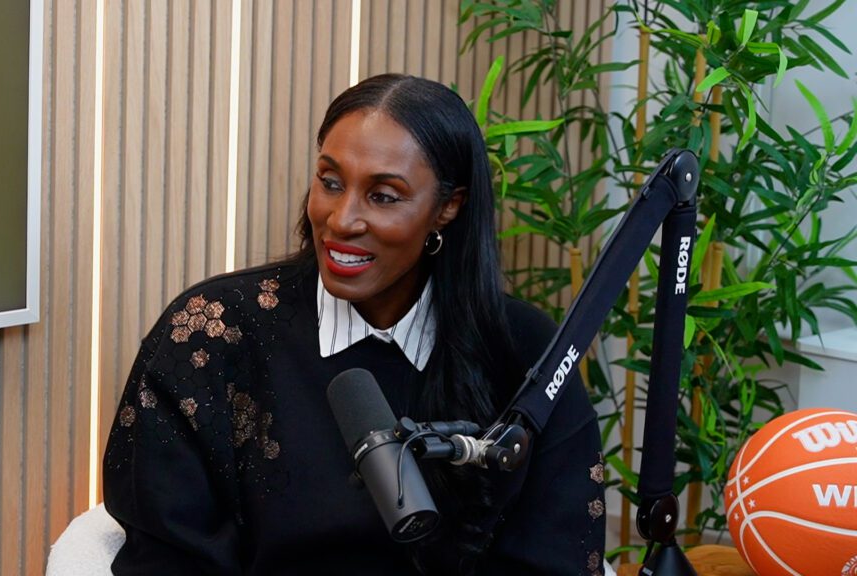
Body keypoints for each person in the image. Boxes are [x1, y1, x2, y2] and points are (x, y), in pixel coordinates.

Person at [103, 74, 606, 575]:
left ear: (448, 207)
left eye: (383, 196)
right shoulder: (211, 334)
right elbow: (165, 556)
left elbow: (556, 556)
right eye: (331, 182)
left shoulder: (528, 351)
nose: (342, 220)